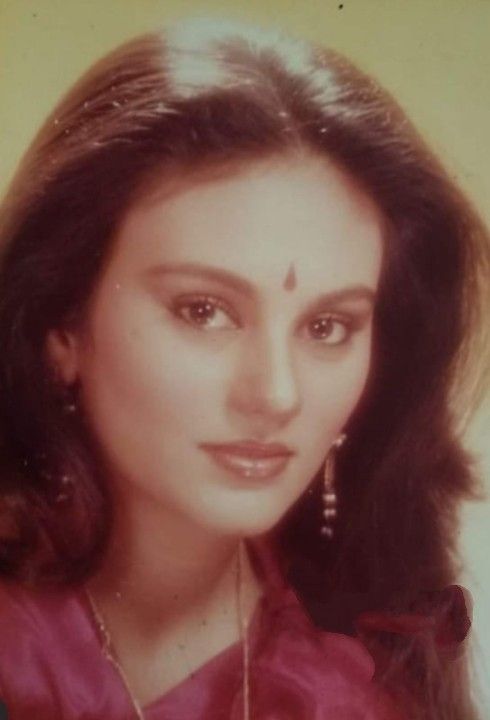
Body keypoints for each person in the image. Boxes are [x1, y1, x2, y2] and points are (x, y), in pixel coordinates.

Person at [0, 17, 487, 720]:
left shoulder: (360, 686)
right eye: (204, 311)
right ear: (61, 327)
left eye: (328, 327)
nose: (277, 394)